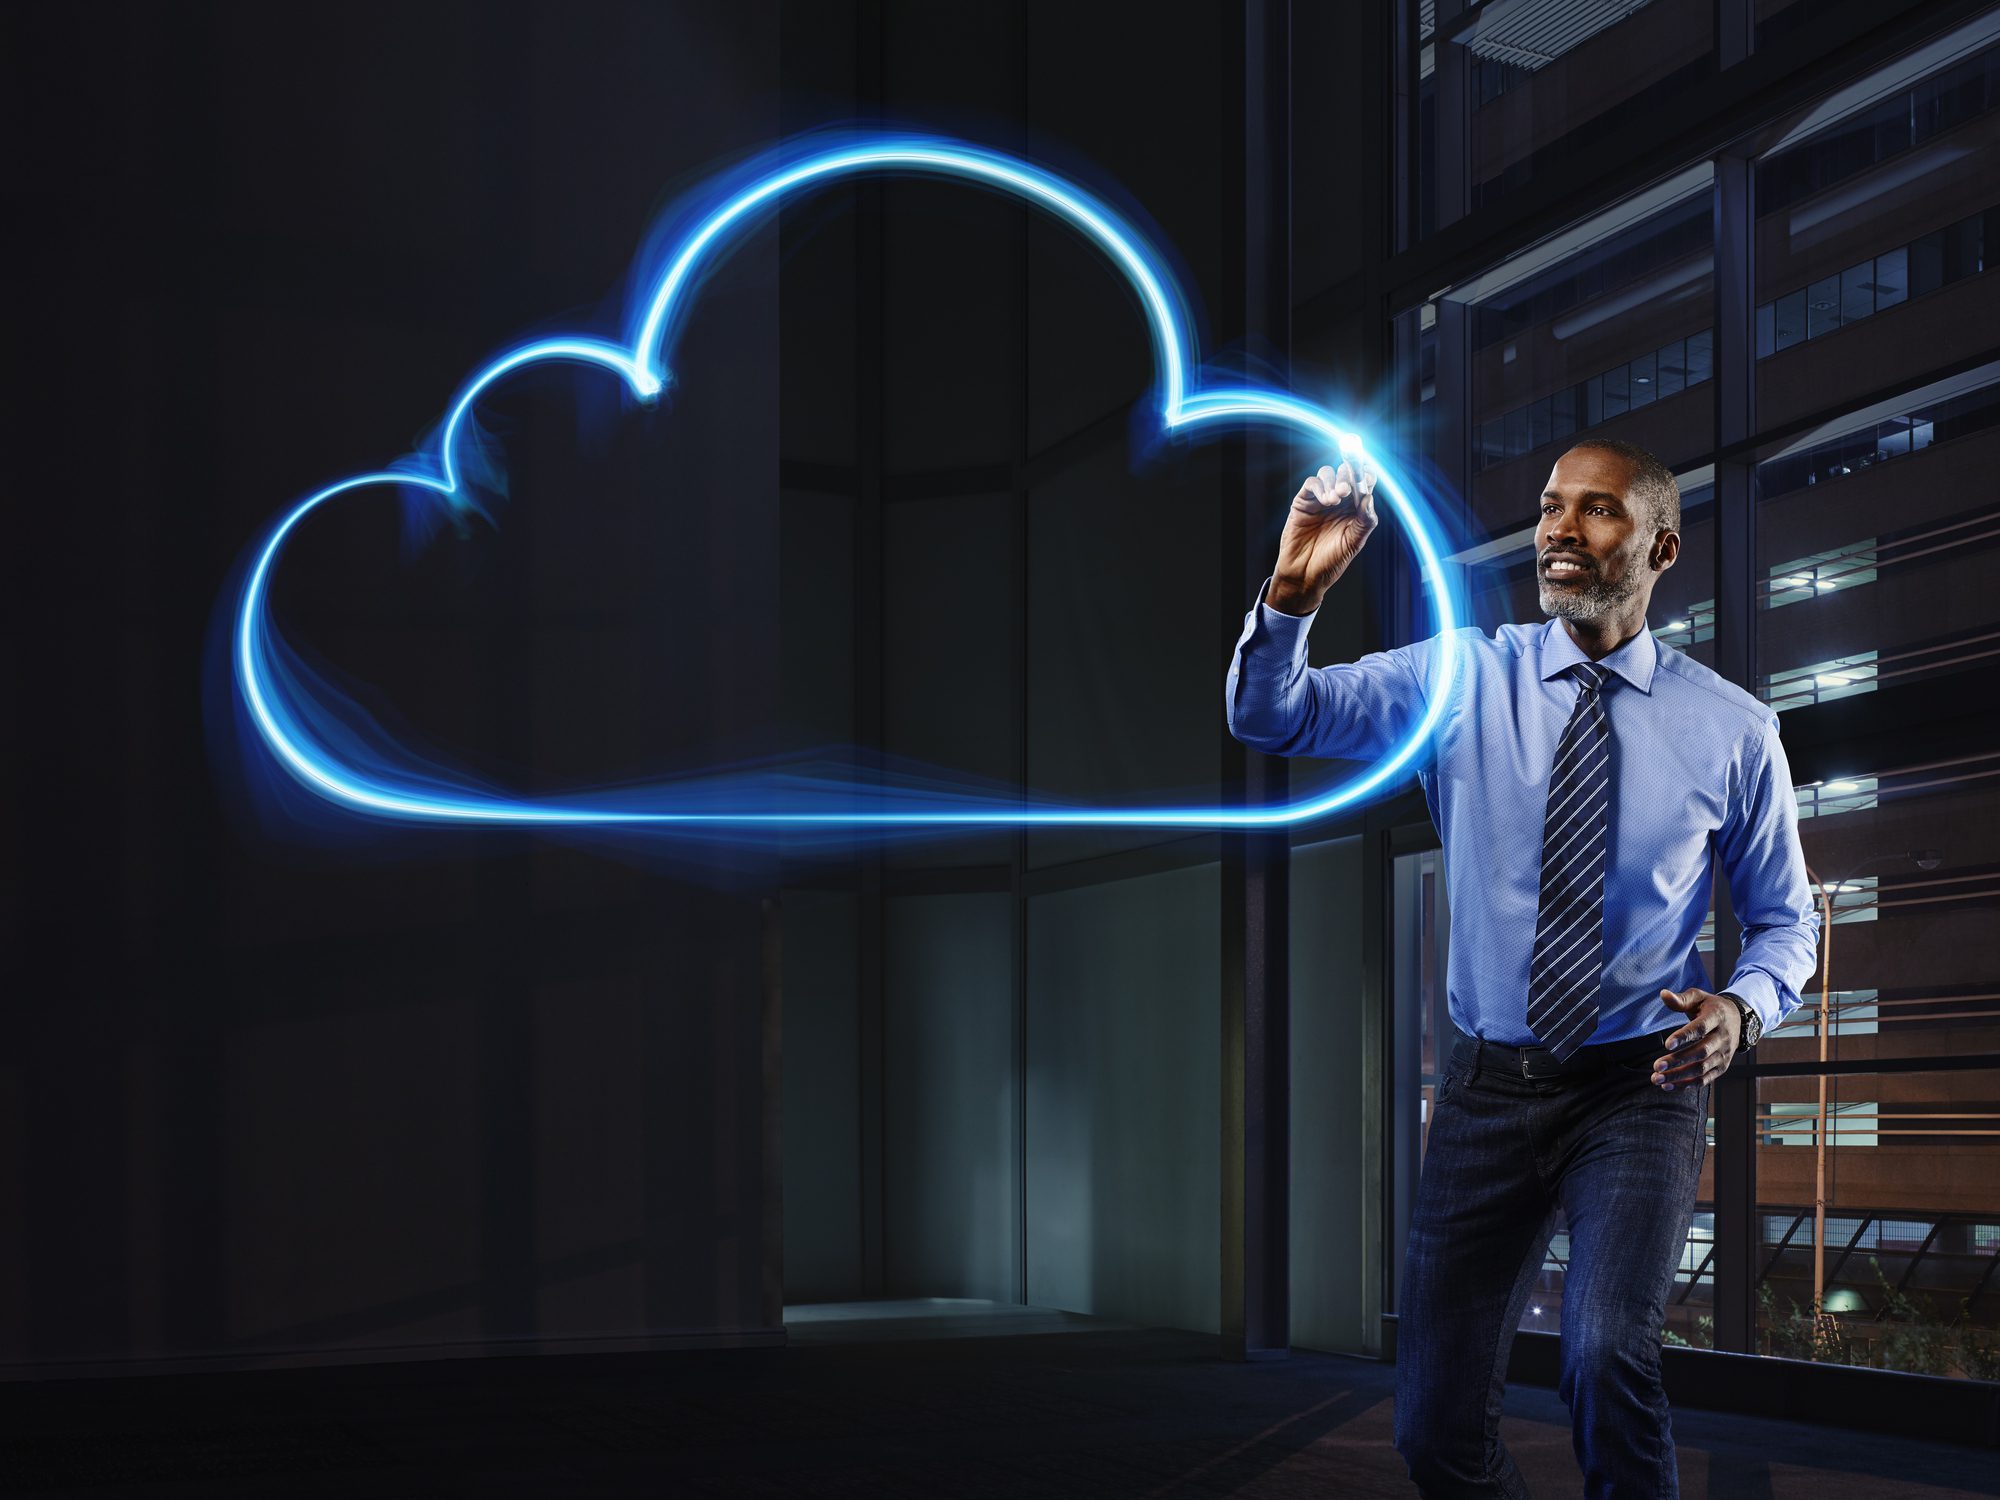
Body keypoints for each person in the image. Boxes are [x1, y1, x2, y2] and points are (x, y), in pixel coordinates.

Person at [1224, 439, 1822, 1498]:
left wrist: (1741, 1005)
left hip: (1637, 1090)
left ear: (1659, 546)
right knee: (1432, 1432)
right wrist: (1287, 597)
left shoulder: (1732, 730)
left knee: (1603, 1355)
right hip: (1485, 1090)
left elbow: (1784, 922)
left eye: (1594, 512)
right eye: (1549, 508)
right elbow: (1272, 716)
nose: (1557, 529)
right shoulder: (1462, 678)